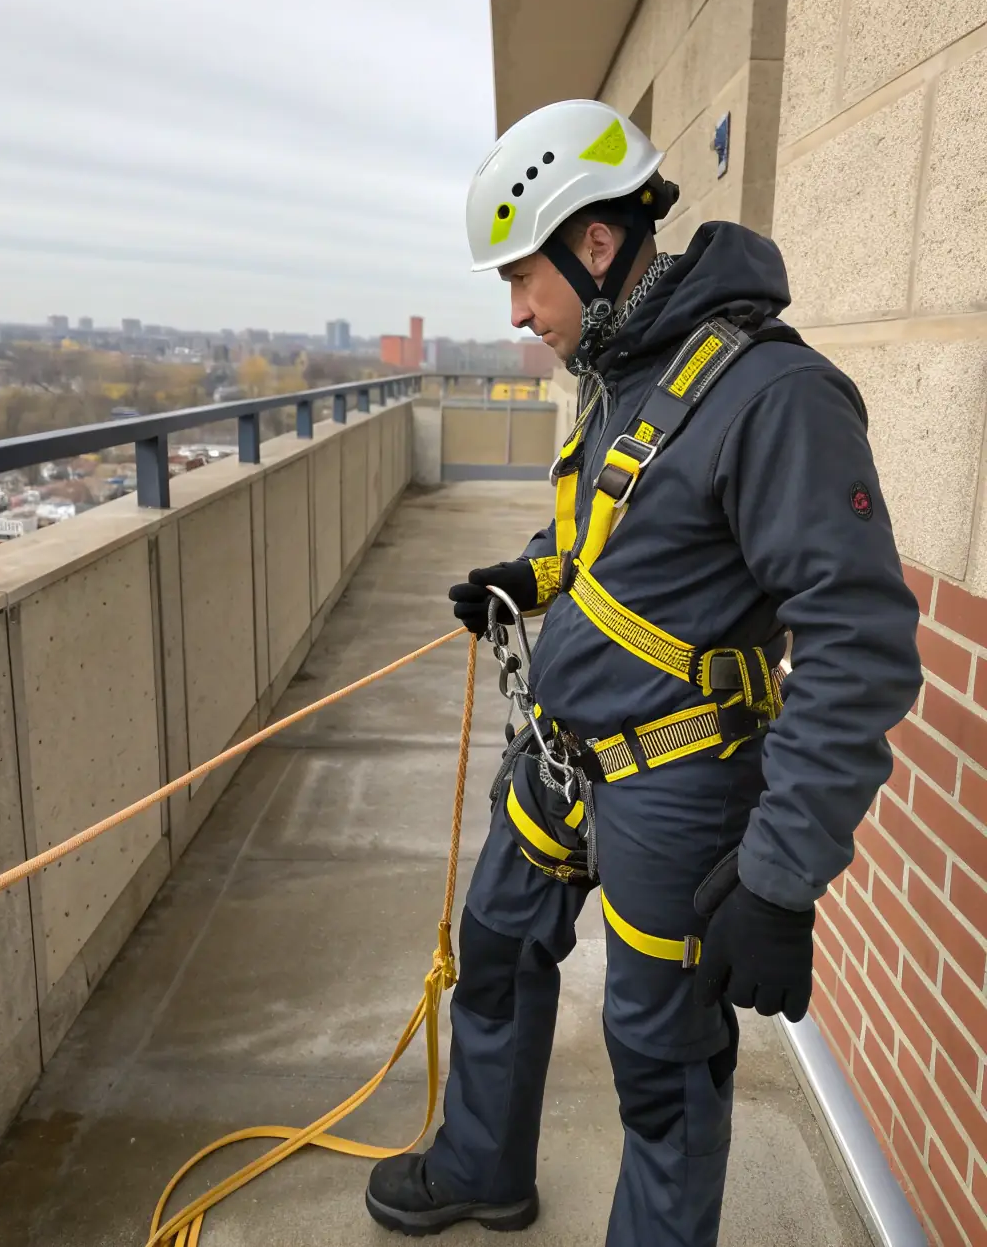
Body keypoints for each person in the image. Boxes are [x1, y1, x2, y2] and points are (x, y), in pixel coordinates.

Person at [365, 100, 923, 1245]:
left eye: (524, 277)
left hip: (679, 782)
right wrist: (528, 579)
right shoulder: (623, 367)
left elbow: (860, 645)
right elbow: (621, 543)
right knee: (499, 946)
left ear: (598, 243)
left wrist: (777, 875)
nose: (518, 312)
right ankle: (483, 1164)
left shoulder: (774, 397)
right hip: (567, 753)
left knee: (660, 1060)